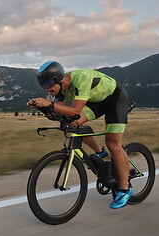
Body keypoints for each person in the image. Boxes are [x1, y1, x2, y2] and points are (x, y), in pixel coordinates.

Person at [27, 61, 132, 209]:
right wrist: (43, 107)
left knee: (113, 143)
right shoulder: (59, 90)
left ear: (60, 78)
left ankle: (124, 189)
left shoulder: (81, 78)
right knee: (72, 124)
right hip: (96, 102)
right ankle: (99, 152)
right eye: (44, 85)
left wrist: (49, 104)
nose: (48, 88)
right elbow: (62, 110)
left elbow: (75, 111)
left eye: (50, 83)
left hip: (115, 99)